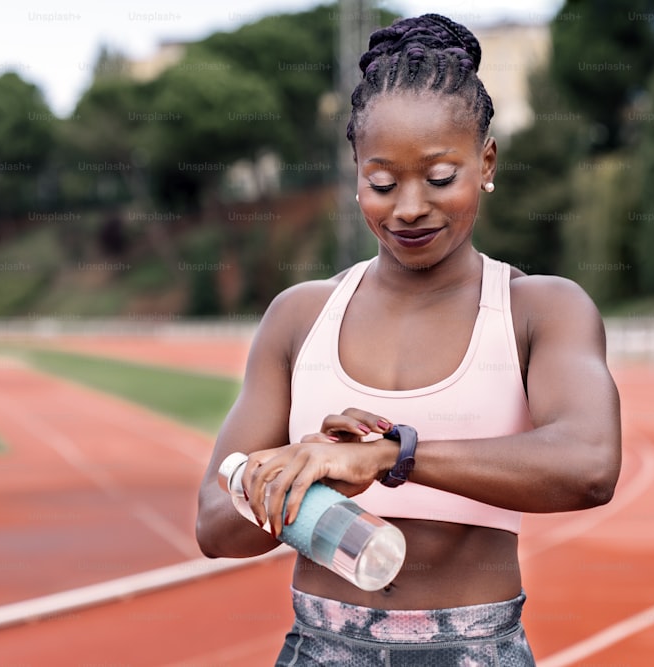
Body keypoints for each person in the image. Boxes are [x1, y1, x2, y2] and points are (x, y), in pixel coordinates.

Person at [195, 13, 621, 666]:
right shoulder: (299, 316)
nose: (409, 207)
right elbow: (216, 526)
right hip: (317, 650)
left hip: (474, 650)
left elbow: (588, 465)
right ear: (356, 173)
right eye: (383, 183)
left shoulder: (540, 309)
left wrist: (389, 456)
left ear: (485, 162)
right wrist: (309, 472)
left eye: (440, 178)